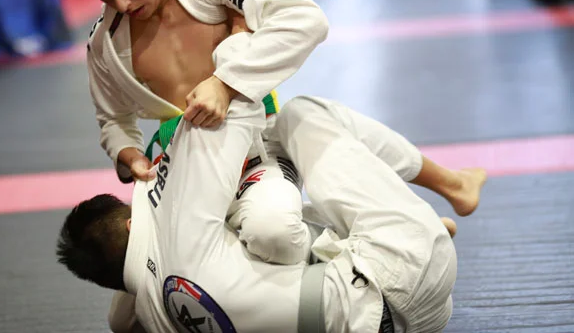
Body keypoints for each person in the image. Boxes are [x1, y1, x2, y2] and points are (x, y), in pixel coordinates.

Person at [57, 37, 463, 331]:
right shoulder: (181, 225)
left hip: (410, 322)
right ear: (132, 223)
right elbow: (241, 103)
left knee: (248, 236)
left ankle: (386, 226)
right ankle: (445, 190)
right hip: (405, 269)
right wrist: (233, 43)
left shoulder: (147, 316)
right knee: (298, 118)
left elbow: (121, 313)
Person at [66, 0, 330, 265]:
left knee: (274, 235)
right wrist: (129, 155)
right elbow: (113, 119)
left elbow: (306, 20)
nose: (121, 4)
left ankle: (326, 242)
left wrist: (225, 83)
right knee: (139, 287)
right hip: (181, 169)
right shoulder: (105, 43)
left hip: (257, 153)